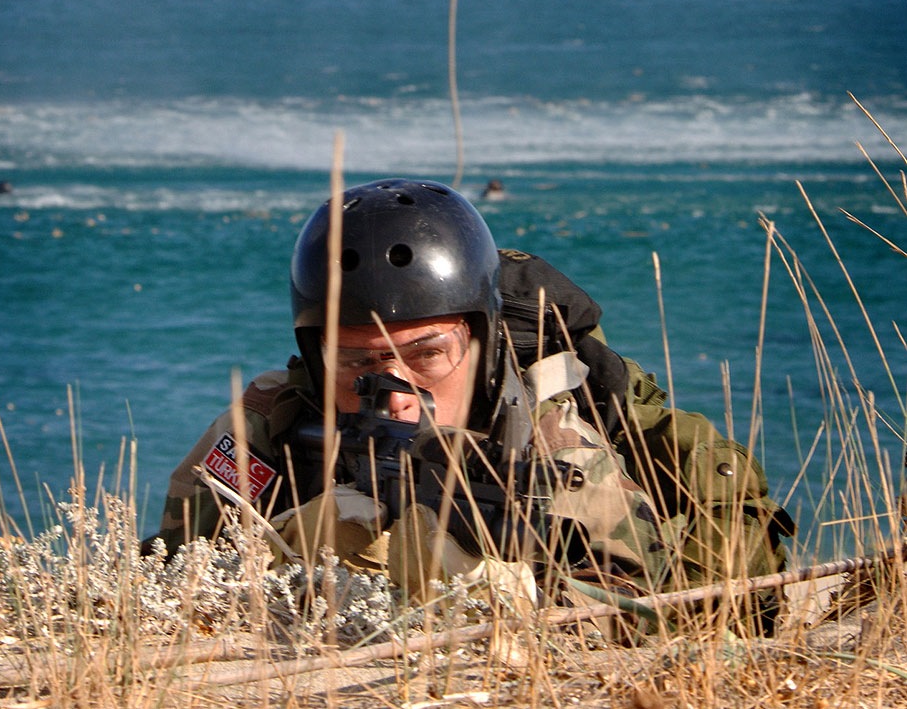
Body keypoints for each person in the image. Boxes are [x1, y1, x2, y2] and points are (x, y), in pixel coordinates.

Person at [145, 179, 795, 617]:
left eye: (427, 355)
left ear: (481, 345)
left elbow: (652, 614)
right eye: (355, 362)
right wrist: (290, 545)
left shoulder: (554, 443)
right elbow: (168, 579)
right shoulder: (273, 419)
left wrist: (502, 593)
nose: (395, 394)